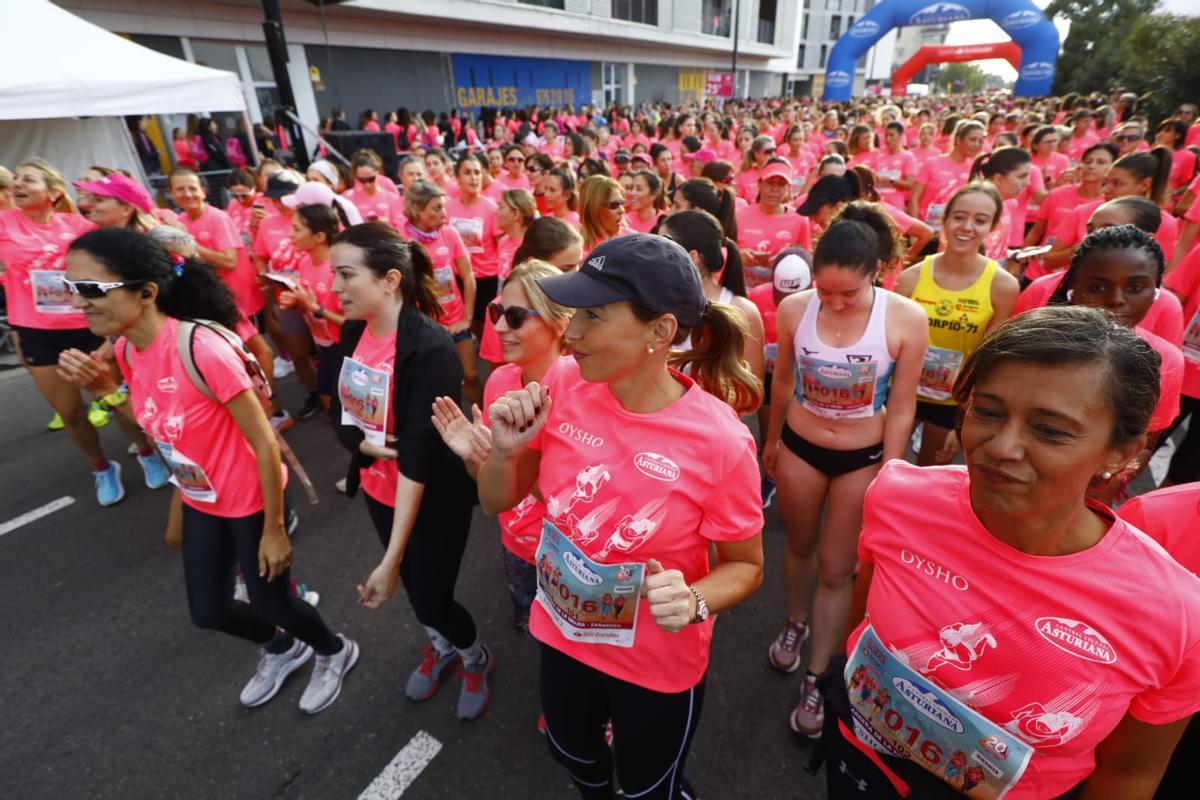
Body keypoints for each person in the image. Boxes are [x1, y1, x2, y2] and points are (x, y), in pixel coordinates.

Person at [827, 305, 1200, 799]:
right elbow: (861, 629)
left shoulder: (1177, 616)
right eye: (987, 411)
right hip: (863, 764)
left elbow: (1129, 776)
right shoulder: (899, 496)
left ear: (1124, 452)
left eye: (1049, 430)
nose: (1001, 446)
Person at [478, 234, 765, 799]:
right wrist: (506, 451)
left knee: (646, 789)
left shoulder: (721, 441)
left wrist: (695, 600)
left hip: (655, 663)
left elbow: (746, 566)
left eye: (594, 317)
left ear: (659, 331)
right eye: (574, 313)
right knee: (575, 757)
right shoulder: (563, 381)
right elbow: (496, 500)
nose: (573, 332)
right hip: (563, 636)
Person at [58, 228, 358, 712]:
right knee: (210, 611)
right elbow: (161, 427)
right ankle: (283, 649)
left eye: (92, 289)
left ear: (146, 292)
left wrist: (276, 529)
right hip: (203, 497)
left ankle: (334, 649)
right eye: (72, 287)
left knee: (273, 603)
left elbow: (264, 443)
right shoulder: (127, 351)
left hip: (252, 498)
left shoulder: (202, 349)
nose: (80, 302)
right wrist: (108, 391)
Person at [762, 217, 927, 736]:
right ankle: (794, 623)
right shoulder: (793, 309)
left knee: (838, 568)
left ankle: (817, 671)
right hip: (800, 447)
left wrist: (891, 469)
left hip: (864, 456)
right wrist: (770, 440)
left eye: (848, 293)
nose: (833, 303)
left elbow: (903, 405)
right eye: (823, 290)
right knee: (798, 547)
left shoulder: (906, 318)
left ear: (877, 272)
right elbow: (784, 377)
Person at [328, 222, 491, 720]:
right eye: (334, 274)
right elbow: (344, 413)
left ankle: (473, 655)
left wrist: (391, 561)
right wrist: (362, 445)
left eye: (346, 275)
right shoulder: (353, 330)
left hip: (433, 497)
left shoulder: (431, 349)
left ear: (390, 280)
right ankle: (441, 647)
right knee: (419, 598)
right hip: (380, 493)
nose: (334, 287)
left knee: (433, 597)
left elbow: (419, 457)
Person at [2, 160, 170, 502]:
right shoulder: (3, 223)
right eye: (15, 179)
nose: (18, 185)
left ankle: (146, 451)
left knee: (111, 395)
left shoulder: (80, 226)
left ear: (53, 193)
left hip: (91, 324)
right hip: (38, 332)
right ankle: (102, 468)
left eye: (28, 180)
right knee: (71, 414)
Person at [432, 259, 573, 632]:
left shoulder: (583, 395)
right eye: (496, 311)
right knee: (528, 621)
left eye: (514, 316)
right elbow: (488, 488)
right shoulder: (500, 382)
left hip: (570, 557)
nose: (496, 326)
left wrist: (508, 459)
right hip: (515, 544)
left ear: (559, 322)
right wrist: (478, 458)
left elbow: (577, 505)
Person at [896, 183, 1019, 466]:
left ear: (992, 227)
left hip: (953, 400)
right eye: (959, 216)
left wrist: (964, 417)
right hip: (903, 391)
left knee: (929, 473)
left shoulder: (1002, 286)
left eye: (980, 220)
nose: (966, 227)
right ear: (945, 219)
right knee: (885, 466)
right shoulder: (911, 277)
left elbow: (989, 358)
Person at [1049, 226, 1183, 473]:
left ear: (1155, 292)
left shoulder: (1167, 362)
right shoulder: (1037, 344)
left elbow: (1144, 443)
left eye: (1135, 288)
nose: (1116, 299)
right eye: (1098, 287)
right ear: (1073, 289)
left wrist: (1100, 493)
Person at [659, 210, 766, 387]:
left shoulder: (743, 311)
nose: (654, 253)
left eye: (663, 245)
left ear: (692, 257)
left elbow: (750, 389)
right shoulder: (654, 301)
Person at [402, 179, 480, 405]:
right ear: (417, 210)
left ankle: (485, 425)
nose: (444, 214)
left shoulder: (450, 233)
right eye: (436, 208)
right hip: (425, 326)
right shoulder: (401, 240)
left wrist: (467, 318)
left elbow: (468, 277)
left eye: (443, 206)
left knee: (471, 375)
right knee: (439, 384)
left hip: (455, 319)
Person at [445, 154, 502, 335]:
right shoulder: (448, 206)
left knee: (483, 325)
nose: (474, 177)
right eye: (467, 172)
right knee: (462, 327)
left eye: (477, 172)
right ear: (457, 178)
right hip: (457, 277)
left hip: (486, 277)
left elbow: (502, 245)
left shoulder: (491, 208)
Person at [736, 160, 812, 288]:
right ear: (759, 184)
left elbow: (805, 260)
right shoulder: (738, 215)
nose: (775, 189)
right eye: (770, 183)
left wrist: (785, 259)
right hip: (742, 291)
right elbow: (724, 252)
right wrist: (739, 254)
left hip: (779, 293)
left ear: (788, 189)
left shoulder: (800, 220)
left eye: (781, 184)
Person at [909, 120, 985, 228]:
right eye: (972, 140)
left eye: (980, 141)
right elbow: (914, 199)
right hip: (928, 230)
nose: (977, 144)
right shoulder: (932, 163)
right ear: (958, 140)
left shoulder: (975, 169)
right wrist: (916, 232)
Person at [966, 147, 1033, 265]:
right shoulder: (974, 207)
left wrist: (1015, 254)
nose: (1028, 183)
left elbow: (992, 251)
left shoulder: (1009, 204)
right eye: (1022, 176)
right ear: (998, 178)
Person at [345, 152, 405, 229]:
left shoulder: (392, 198)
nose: (367, 184)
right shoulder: (350, 200)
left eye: (371, 179)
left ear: (378, 173)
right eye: (362, 180)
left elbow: (401, 226)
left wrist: (387, 223)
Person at [577, 175, 627, 254]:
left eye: (622, 203)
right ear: (594, 209)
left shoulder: (634, 240)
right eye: (614, 205)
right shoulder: (576, 251)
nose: (622, 210)